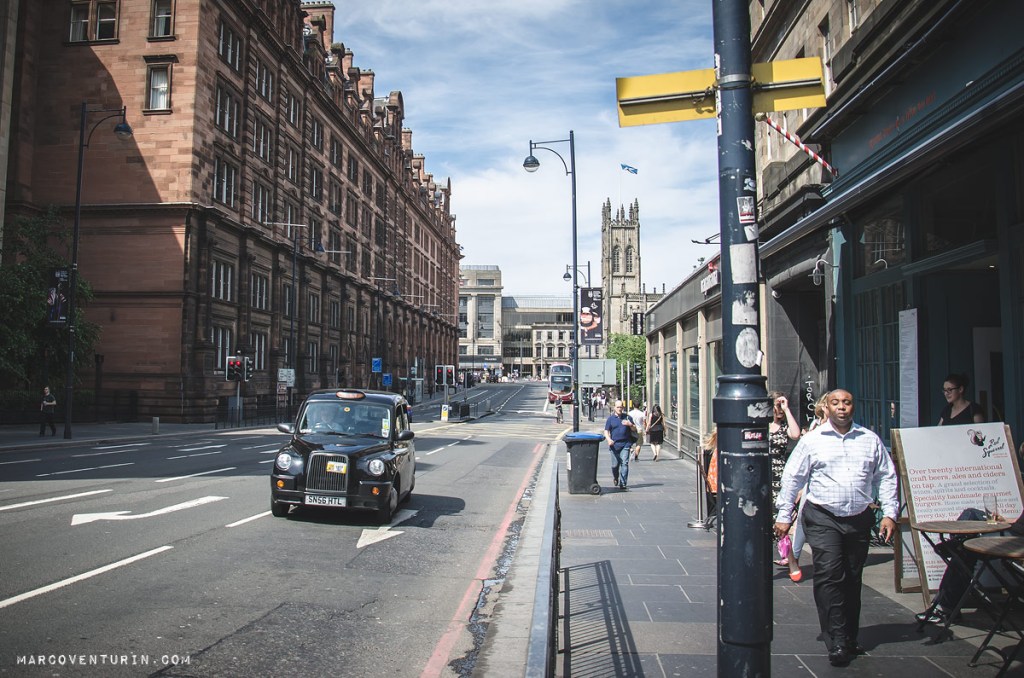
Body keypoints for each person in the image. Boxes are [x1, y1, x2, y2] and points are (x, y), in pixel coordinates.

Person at [774, 389, 898, 667]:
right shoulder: (813, 441)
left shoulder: (869, 440)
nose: (842, 407)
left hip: (858, 518)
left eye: (847, 402)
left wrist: (890, 513)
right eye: (836, 403)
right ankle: (837, 639)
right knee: (830, 575)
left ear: (853, 407)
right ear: (827, 408)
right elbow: (793, 477)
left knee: (852, 578)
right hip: (822, 517)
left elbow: (886, 476)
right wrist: (785, 514)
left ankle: (849, 635)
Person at [783, 393, 829, 582]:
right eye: (829, 404)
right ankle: (793, 558)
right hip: (811, 482)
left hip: (830, 486)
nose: (835, 408)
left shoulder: (844, 429)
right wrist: (800, 487)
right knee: (801, 518)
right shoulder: (815, 426)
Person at [769, 391, 801, 507]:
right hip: (763, 471)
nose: (780, 409)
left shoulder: (784, 427)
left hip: (779, 473)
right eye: (778, 406)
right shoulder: (761, 426)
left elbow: (795, 435)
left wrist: (787, 410)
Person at [604, 400, 637, 491]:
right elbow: (606, 431)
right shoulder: (610, 419)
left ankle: (623, 483)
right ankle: (616, 477)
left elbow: (634, 429)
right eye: (618, 407)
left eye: (621, 407)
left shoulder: (627, 417)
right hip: (614, 445)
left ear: (623, 408)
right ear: (614, 408)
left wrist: (630, 424)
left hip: (625, 444)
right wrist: (609, 439)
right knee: (615, 465)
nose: (619, 409)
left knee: (624, 463)